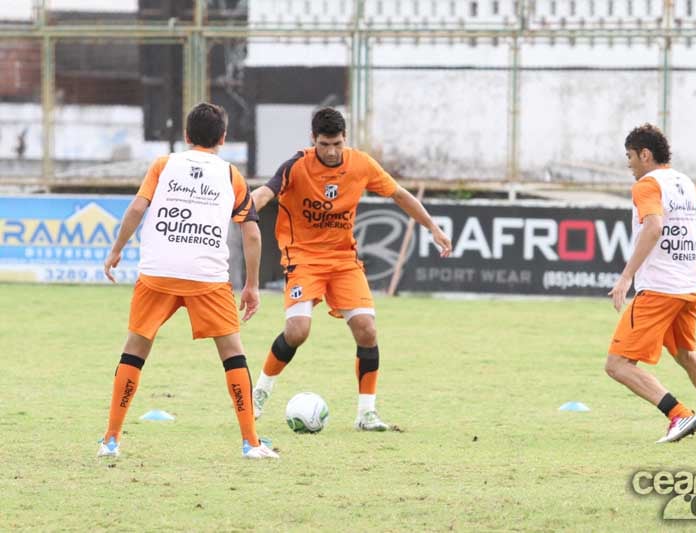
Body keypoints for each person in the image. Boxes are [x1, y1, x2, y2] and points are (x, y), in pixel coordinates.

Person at [249, 107, 452, 430]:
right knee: (298, 332)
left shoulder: (361, 164)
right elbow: (265, 191)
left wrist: (432, 227)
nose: (331, 152)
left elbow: (399, 195)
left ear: (345, 140)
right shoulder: (296, 165)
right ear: (313, 140)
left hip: (343, 260)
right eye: (325, 144)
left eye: (337, 144)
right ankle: (260, 391)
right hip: (303, 257)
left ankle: (366, 413)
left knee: (367, 330)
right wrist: (246, 209)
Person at [98, 102, 278, 459]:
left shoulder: (163, 164)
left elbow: (136, 208)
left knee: (135, 348)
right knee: (232, 353)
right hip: (206, 276)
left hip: (157, 271)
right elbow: (252, 234)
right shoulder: (231, 174)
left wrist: (116, 250)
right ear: (223, 139)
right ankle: (250, 443)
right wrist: (252, 285)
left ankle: (110, 440)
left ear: (185, 136)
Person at [605, 123, 696, 443]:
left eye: (630, 157)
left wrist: (626, 277)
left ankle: (679, 415)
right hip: (688, 288)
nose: (629, 165)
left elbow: (653, 227)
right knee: (685, 354)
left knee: (618, 365)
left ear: (645, 154)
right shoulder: (685, 183)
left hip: (660, 289)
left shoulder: (647, 185)